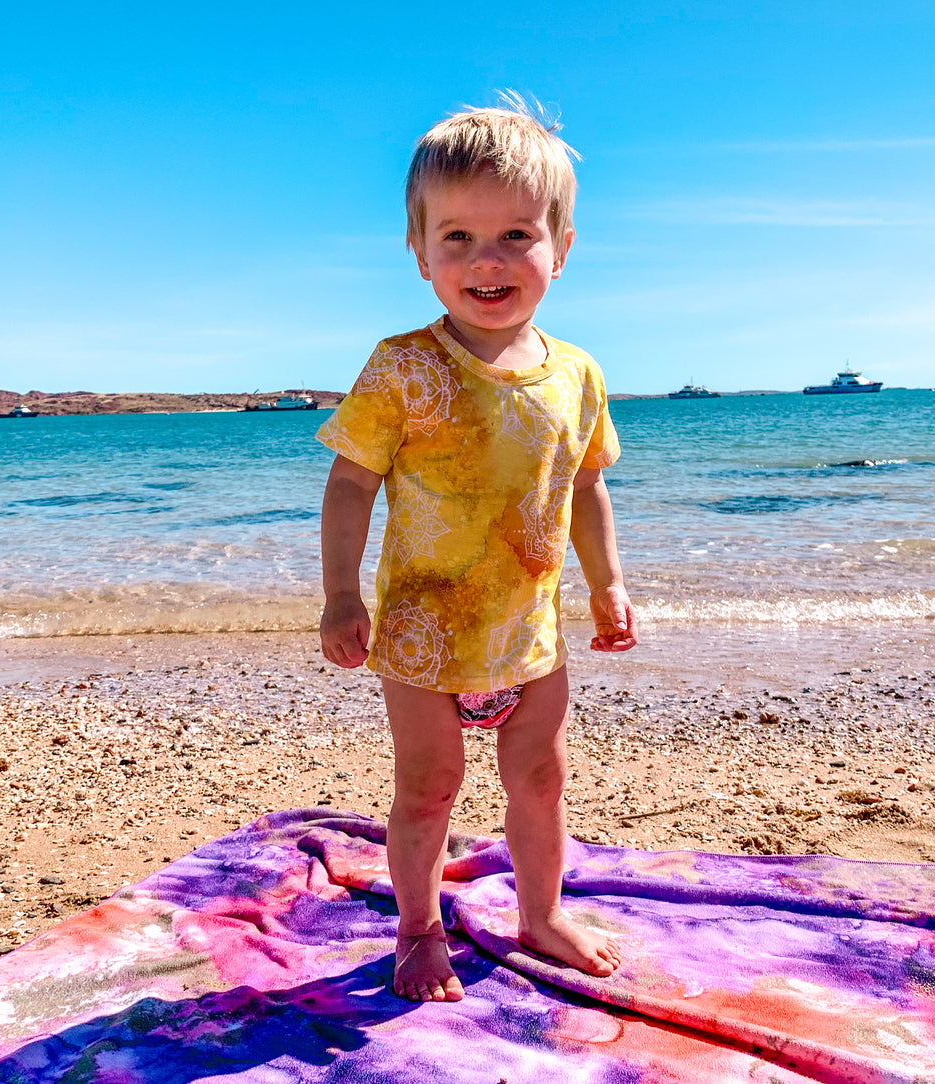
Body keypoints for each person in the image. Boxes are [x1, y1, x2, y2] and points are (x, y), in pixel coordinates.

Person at [317, 95, 637, 1004]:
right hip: (423, 632)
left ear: (560, 248)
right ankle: (417, 930)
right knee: (429, 788)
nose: (485, 261)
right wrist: (343, 596)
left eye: (515, 236)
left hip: (529, 630)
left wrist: (607, 583)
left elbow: (583, 485)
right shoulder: (402, 366)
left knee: (541, 779)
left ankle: (541, 915)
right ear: (419, 253)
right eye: (455, 237)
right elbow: (351, 484)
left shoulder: (576, 374)